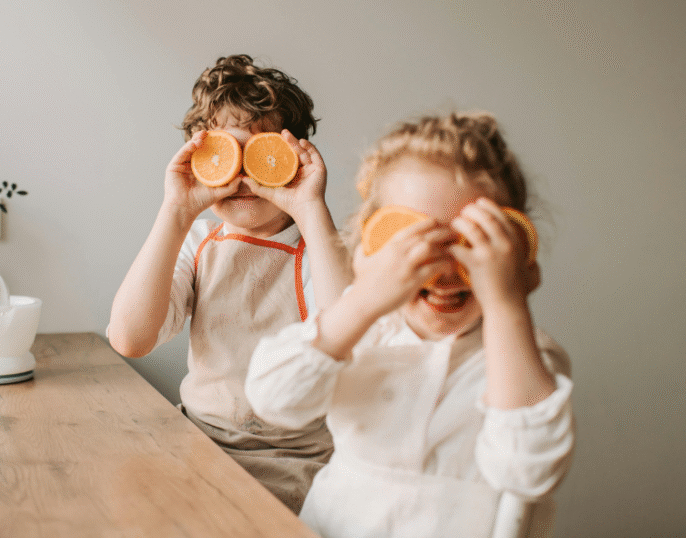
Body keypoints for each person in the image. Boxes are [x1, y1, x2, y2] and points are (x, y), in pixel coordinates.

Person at [245, 112, 575, 538]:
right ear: (373, 246)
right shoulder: (365, 330)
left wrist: (507, 305)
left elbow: (528, 472)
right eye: (417, 244)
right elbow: (274, 402)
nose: (444, 273)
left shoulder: (525, 358)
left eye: (472, 243)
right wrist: (364, 298)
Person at [108, 54, 350, 513]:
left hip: (299, 460)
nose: (240, 176)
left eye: (260, 156)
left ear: (293, 157)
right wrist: (176, 211)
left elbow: (349, 340)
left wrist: (311, 209)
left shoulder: (321, 247)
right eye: (223, 153)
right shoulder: (199, 240)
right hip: (198, 446)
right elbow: (129, 338)